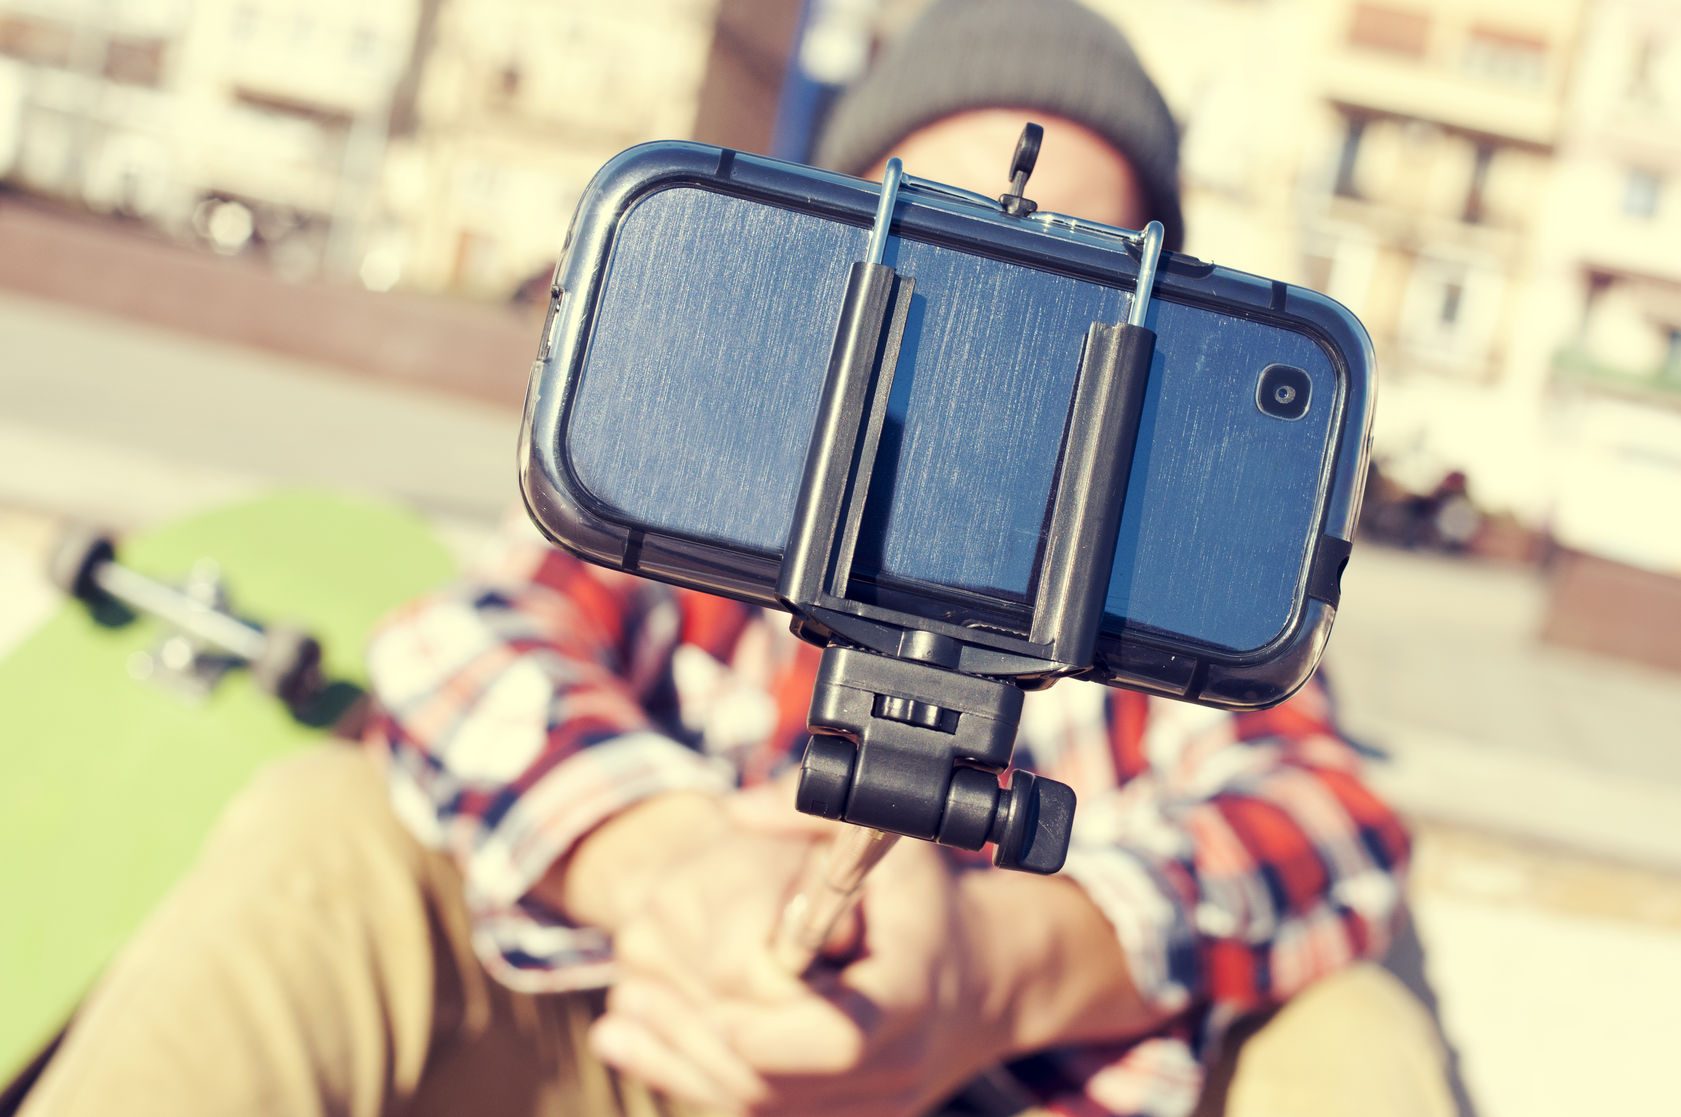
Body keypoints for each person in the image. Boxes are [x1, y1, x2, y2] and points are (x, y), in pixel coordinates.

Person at [19, 3, 1452, 1116]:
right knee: (327, 829)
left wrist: (1004, 964)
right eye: (931, 237)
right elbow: (450, 655)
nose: (985, 308)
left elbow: (1331, 821)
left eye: (1061, 266)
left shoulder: (1151, 610)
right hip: (639, 1048)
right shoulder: (702, 517)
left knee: (1352, 1021)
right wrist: (659, 864)